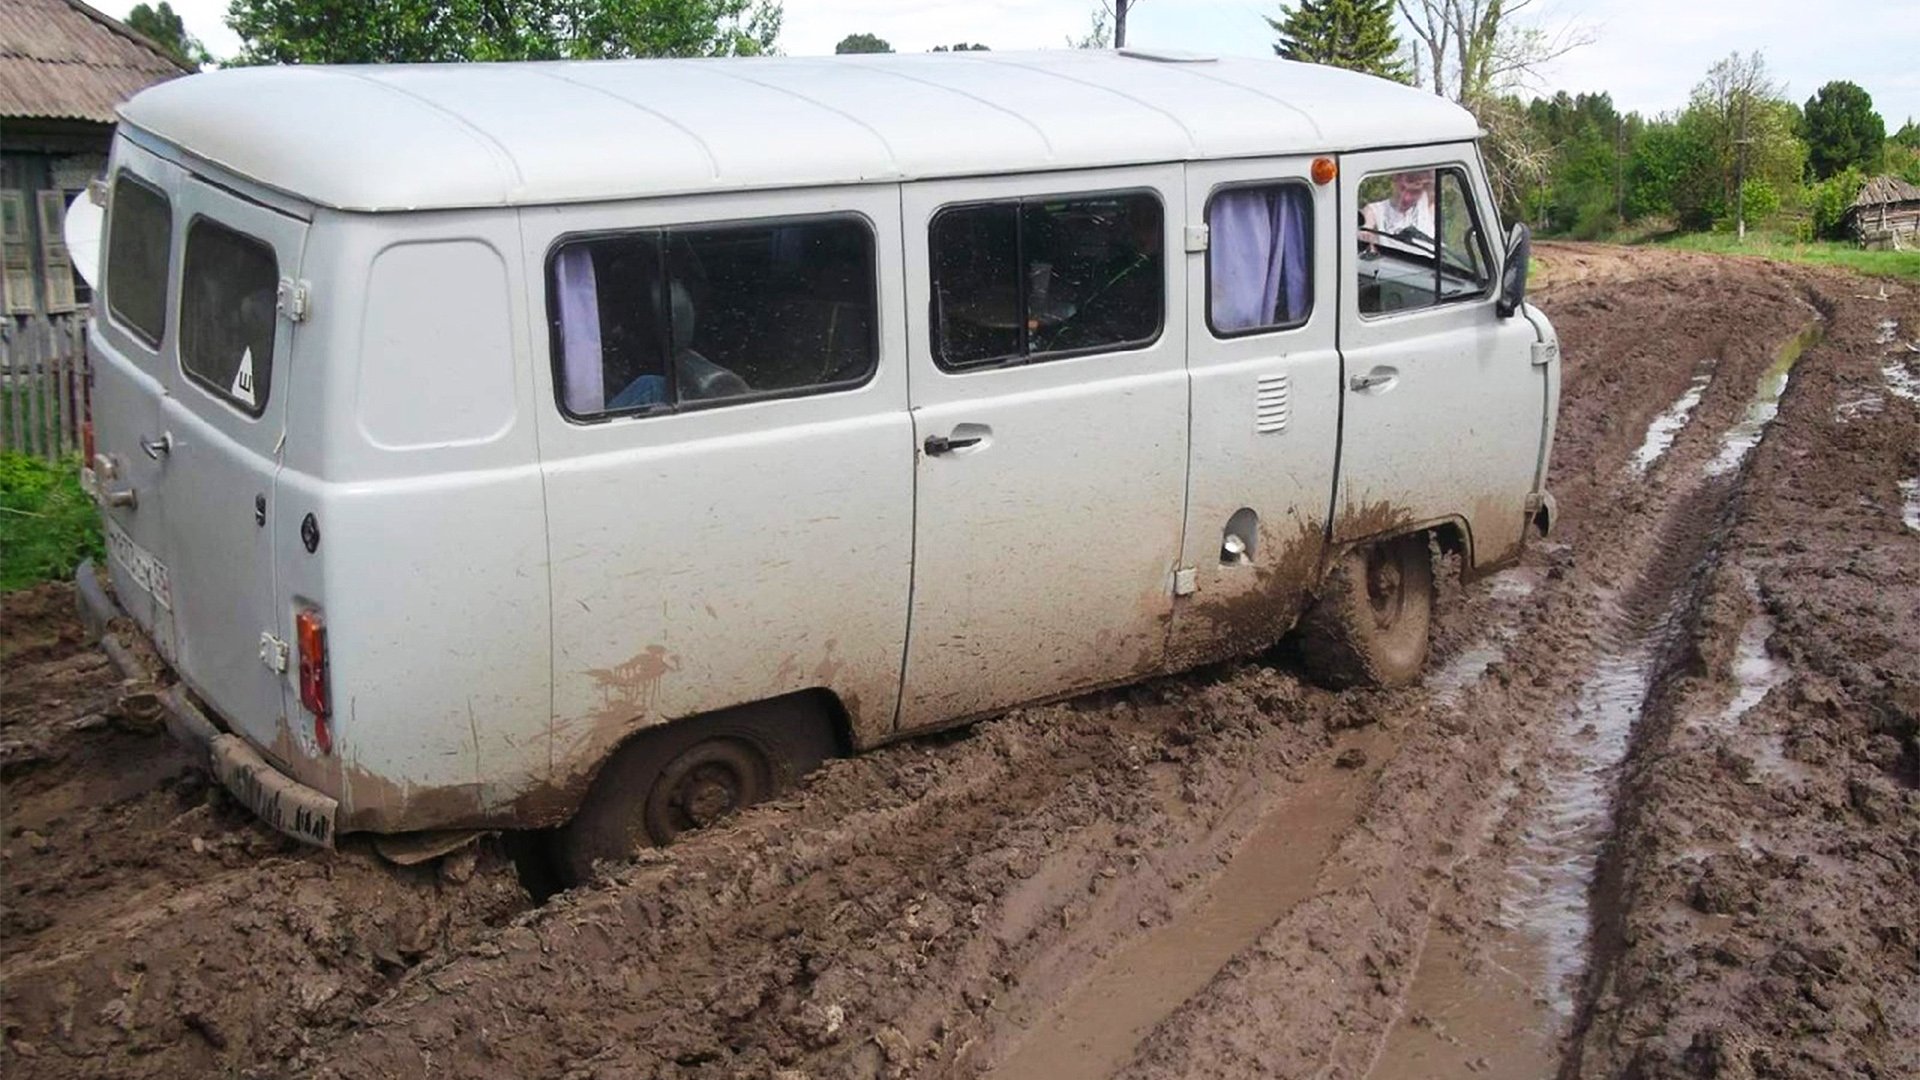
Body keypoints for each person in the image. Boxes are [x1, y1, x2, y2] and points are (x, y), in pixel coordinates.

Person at [1360, 170, 1436, 253]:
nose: (1406, 197)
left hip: (1428, 264)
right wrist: (1366, 235)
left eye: (1414, 192)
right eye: (1402, 188)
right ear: (1395, 182)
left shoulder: (1427, 205)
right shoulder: (1376, 210)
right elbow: (1365, 227)